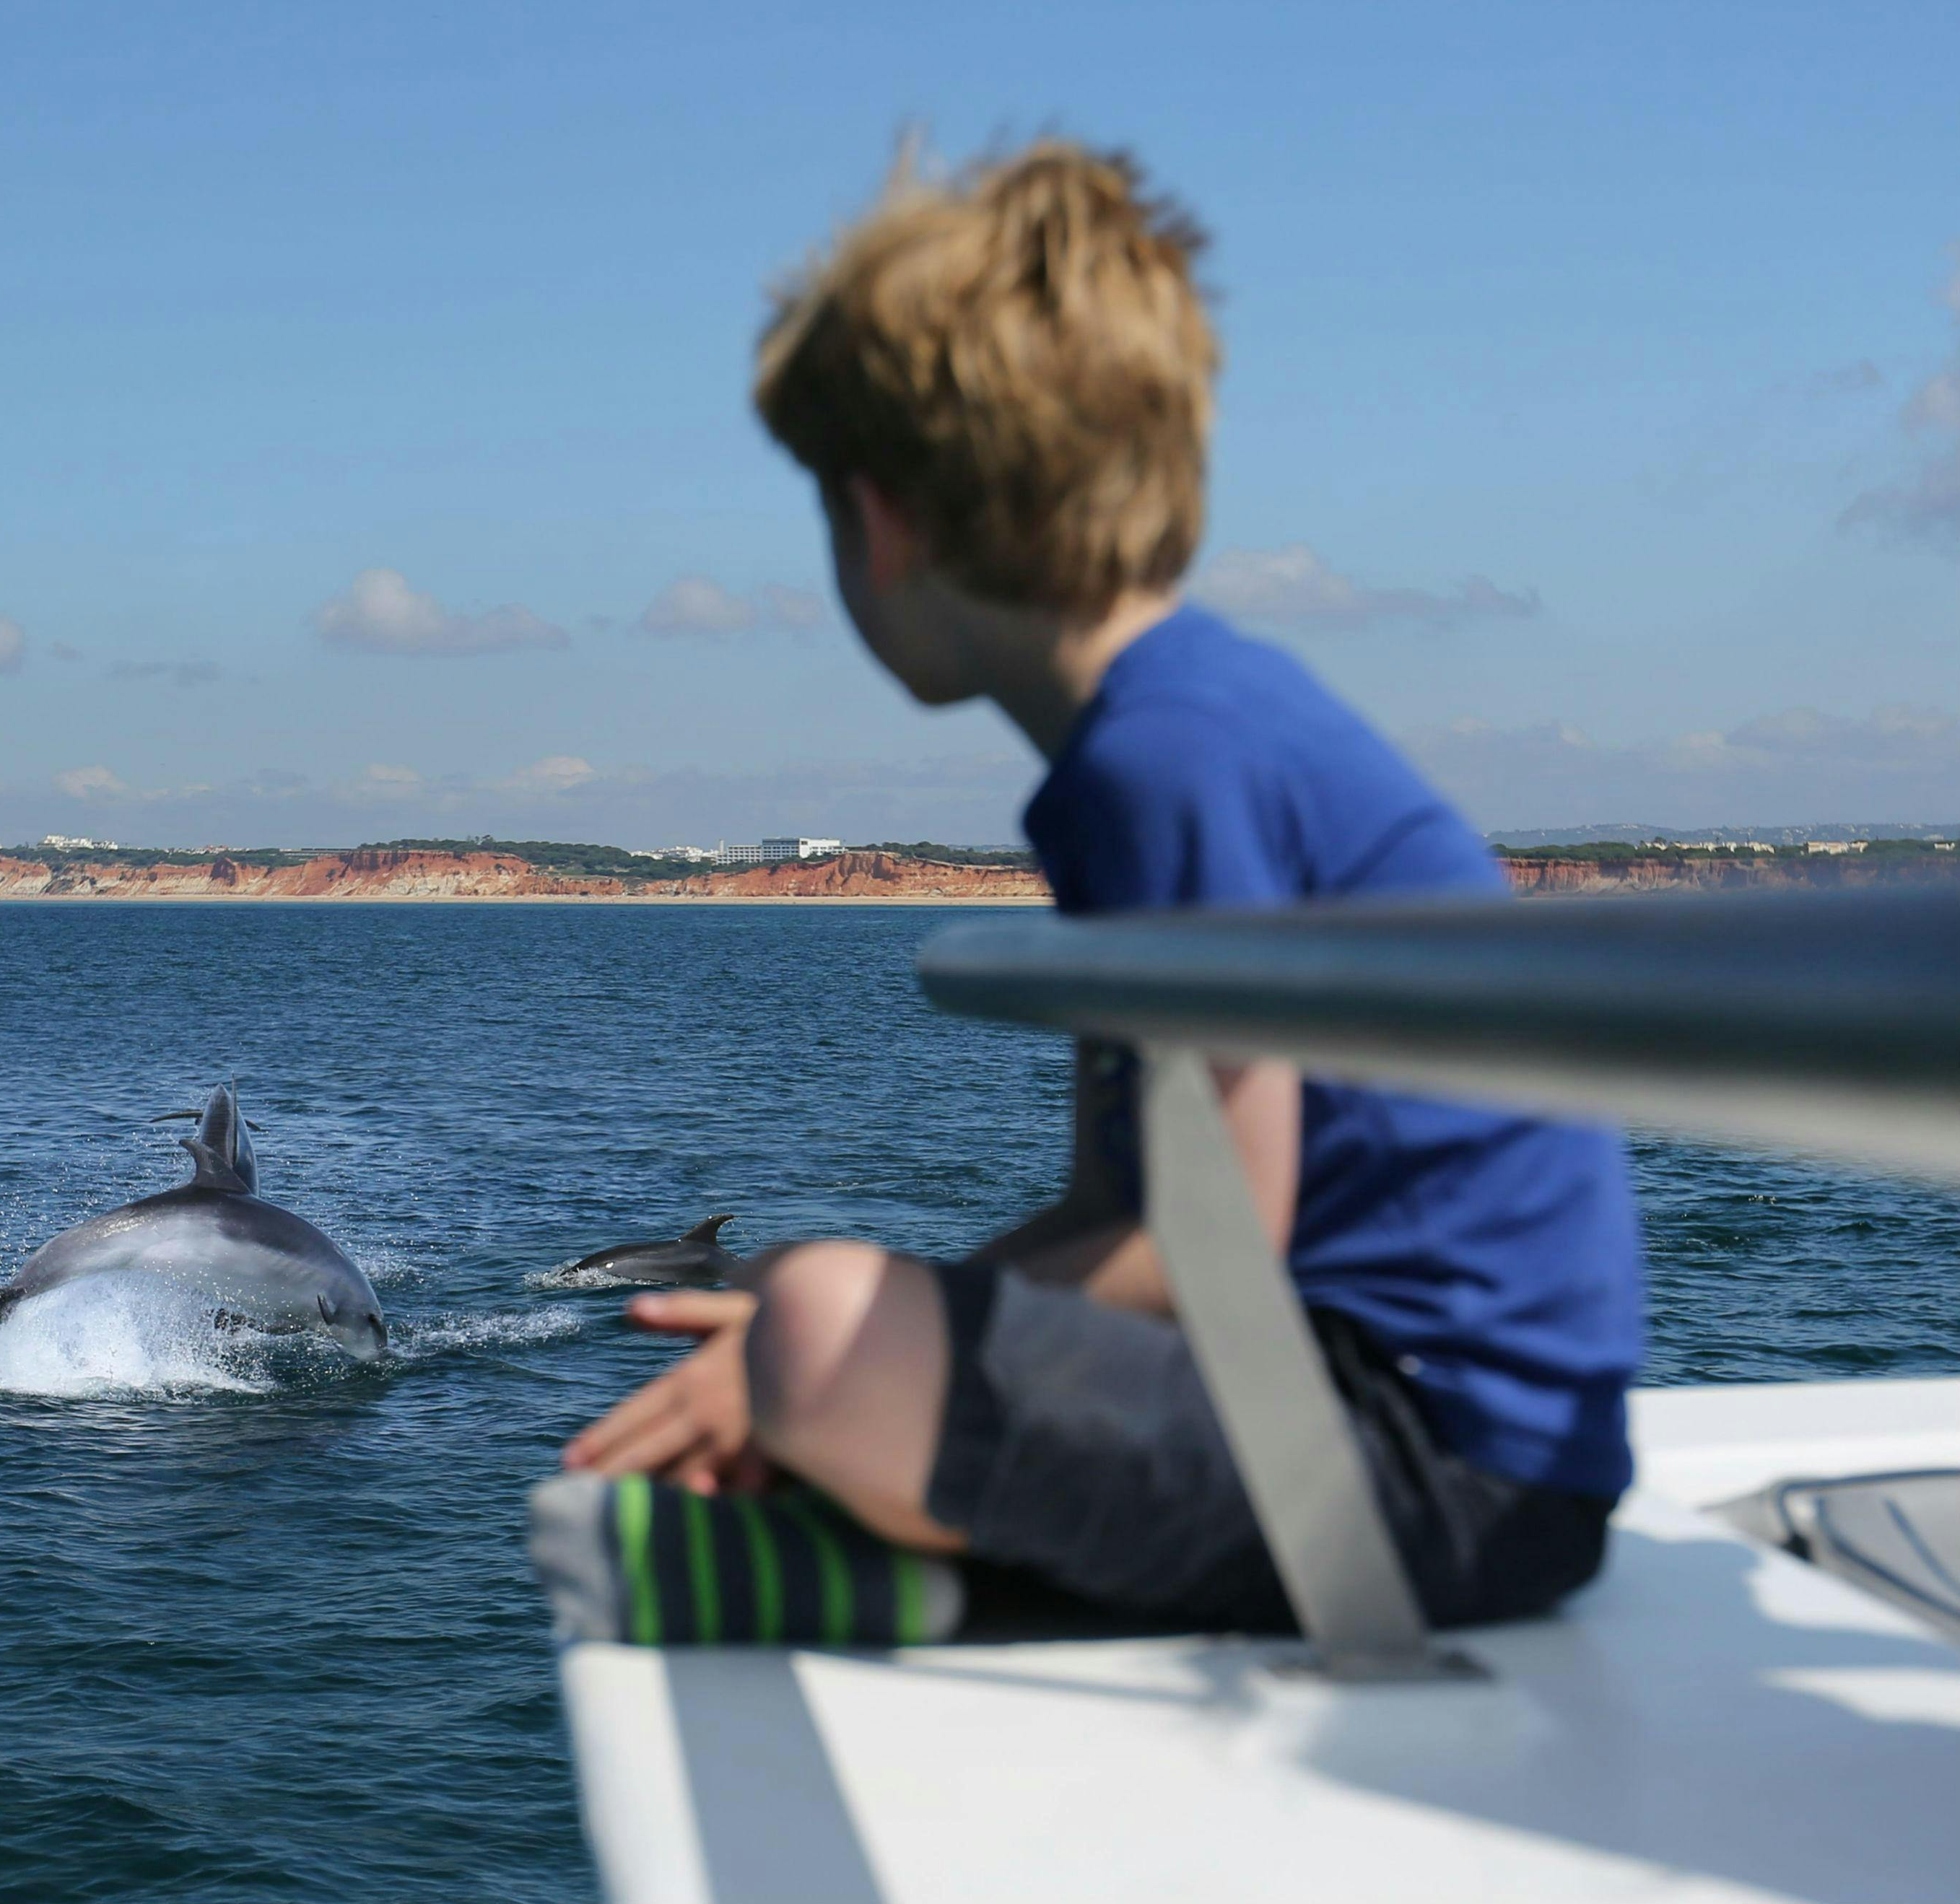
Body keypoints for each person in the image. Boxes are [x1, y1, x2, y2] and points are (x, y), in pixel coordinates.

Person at [541, 140, 1642, 1642]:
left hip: (1425, 1474)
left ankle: (917, 1567)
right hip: (1442, 1449)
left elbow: (1219, 1230)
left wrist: (821, 1359)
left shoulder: (1163, 760)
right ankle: (913, 1520)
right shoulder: (1173, 732)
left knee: (815, 1313)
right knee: (824, 1307)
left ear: (880, 520)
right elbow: (1117, 1207)